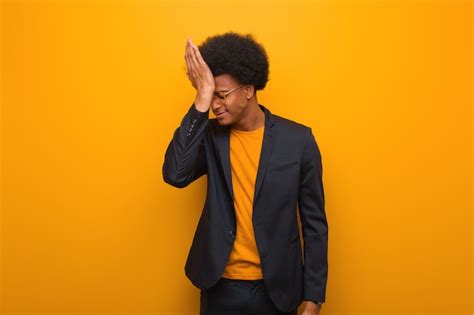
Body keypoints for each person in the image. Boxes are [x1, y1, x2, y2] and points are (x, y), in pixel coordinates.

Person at [162, 32, 328, 315]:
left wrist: (314, 299)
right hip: (219, 285)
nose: (216, 105)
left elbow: (314, 224)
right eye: (211, 96)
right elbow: (175, 174)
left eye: (222, 95)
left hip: (277, 289)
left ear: (248, 90)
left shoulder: (299, 141)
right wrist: (201, 99)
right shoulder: (211, 137)